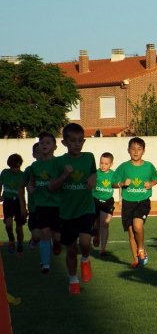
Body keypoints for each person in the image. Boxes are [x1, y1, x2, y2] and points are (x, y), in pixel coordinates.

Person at [49, 123, 97, 295]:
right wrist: (64, 175)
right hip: (66, 212)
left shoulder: (89, 157)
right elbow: (52, 187)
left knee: (85, 242)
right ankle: (73, 279)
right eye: (73, 141)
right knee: (70, 249)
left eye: (80, 140)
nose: (77, 144)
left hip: (86, 208)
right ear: (64, 143)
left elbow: (94, 172)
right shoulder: (58, 162)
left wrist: (93, 178)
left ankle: (85, 259)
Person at [112, 137, 157, 268]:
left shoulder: (149, 166)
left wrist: (151, 184)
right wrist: (122, 184)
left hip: (142, 201)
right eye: (133, 149)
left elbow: (156, 178)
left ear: (143, 151)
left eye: (139, 149)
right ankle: (136, 260)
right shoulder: (123, 167)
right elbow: (113, 183)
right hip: (128, 203)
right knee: (131, 231)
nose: (136, 152)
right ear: (128, 150)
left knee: (137, 226)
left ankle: (141, 249)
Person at [28, 132, 61, 274]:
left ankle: (57, 244)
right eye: (42, 143)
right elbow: (31, 183)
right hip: (41, 205)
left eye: (48, 143)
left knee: (57, 236)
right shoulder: (34, 167)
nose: (44, 145)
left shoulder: (59, 164)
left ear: (55, 146)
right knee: (45, 233)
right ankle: (45, 264)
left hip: (58, 205)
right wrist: (30, 188)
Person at [1, 154, 26, 254]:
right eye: (13, 167)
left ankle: (20, 243)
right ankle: (11, 240)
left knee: (19, 228)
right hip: (8, 201)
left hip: (18, 202)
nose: (15, 169)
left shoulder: (23, 175)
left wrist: (23, 208)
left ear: (20, 165)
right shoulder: (5, 173)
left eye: (17, 167)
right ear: (9, 165)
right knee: (8, 224)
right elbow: (0, 184)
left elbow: (26, 191)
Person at [92, 152, 116, 257]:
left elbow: (118, 186)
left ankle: (103, 249)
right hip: (95, 200)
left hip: (107, 201)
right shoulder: (95, 173)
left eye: (106, 163)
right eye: (101, 163)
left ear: (111, 164)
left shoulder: (114, 175)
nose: (103, 165)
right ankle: (96, 234)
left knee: (105, 223)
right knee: (96, 225)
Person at [21, 143, 41, 248]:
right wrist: (23, 207)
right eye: (37, 152)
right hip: (34, 209)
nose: (40, 154)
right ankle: (34, 239)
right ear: (33, 155)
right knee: (38, 236)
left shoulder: (54, 167)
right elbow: (20, 187)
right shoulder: (29, 170)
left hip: (52, 207)